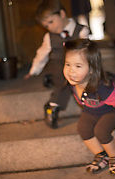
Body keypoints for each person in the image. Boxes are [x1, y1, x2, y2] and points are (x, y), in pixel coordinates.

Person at [63, 39, 115, 175]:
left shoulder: (102, 88)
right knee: (83, 128)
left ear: (91, 69)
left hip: (113, 111)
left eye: (78, 66)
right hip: (92, 111)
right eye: (68, 64)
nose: (71, 71)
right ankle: (101, 154)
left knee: (101, 130)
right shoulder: (72, 82)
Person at [24, 0, 90, 128]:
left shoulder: (82, 31)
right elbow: (41, 54)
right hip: (60, 69)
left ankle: (93, 109)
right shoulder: (49, 37)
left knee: (86, 86)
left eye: (51, 22)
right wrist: (33, 71)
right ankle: (52, 108)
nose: (50, 27)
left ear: (62, 14)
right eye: (46, 26)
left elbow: (88, 52)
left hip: (79, 68)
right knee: (62, 86)